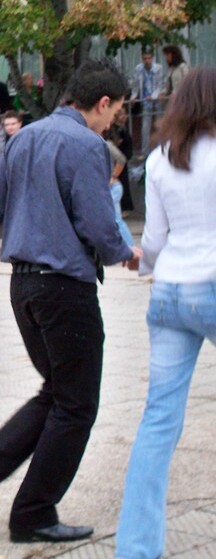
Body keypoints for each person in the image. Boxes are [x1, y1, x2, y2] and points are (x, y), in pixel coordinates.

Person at [0, 59, 140, 543]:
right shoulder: (87, 146)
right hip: (65, 289)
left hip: (23, 289)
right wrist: (122, 252)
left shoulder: (23, 137)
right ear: (102, 103)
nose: (113, 124)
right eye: (117, 112)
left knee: (58, 393)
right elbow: (95, 220)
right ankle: (32, 513)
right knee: (77, 405)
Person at [115, 66, 216, 559]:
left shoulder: (159, 158)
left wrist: (145, 268)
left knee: (158, 423)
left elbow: (152, 239)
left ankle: (135, 550)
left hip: (171, 289)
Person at [130, 47, 164, 154]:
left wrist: (154, 96)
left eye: (149, 58)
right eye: (145, 58)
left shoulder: (158, 68)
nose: (147, 61)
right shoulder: (139, 69)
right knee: (145, 127)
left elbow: (160, 84)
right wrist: (134, 96)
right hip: (146, 101)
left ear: (152, 58)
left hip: (156, 100)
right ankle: (145, 151)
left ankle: (160, 149)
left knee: (159, 125)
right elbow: (135, 85)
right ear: (142, 58)